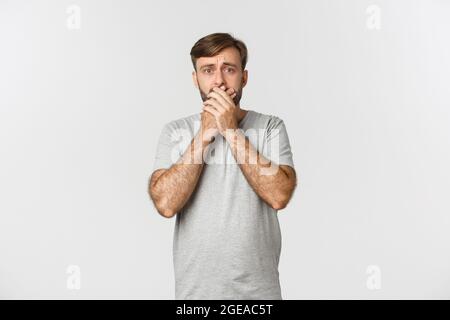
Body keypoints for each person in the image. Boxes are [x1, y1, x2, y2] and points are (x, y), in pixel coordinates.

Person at [148, 32, 297, 300]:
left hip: (259, 297)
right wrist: (205, 134)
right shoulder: (175, 131)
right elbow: (166, 204)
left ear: (244, 77)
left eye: (229, 69)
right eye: (208, 70)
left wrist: (231, 131)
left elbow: (279, 195)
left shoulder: (270, 127)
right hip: (196, 298)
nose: (218, 80)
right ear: (196, 79)